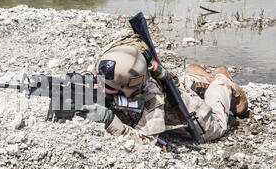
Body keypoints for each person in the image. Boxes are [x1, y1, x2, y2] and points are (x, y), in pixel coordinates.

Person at [79, 35, 248, 145]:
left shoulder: (152, 95)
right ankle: (195, 77)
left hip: (200, 119)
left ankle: (222, 79)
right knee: (181, 83)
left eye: (109, 89)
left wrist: (109, 121)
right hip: (176, 89)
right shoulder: (116, 68)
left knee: (217, 120)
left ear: (128, 87)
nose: (101, 88)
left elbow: (146, 140)